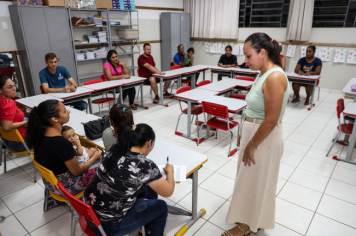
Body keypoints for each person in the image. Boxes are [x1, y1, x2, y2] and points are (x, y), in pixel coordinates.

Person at [224, 33, 289, 236]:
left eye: (248, 55)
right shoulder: (262, 73)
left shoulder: (275, 77)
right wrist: (246, 134)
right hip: (255, 131)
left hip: (264, 136)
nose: (245, 61)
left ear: (262, 52)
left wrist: (252, 144)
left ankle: (246, 226)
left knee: (257, 181)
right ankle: (249, 217)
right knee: (250, 179)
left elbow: (270, 120)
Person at [83, 123, 175, 236]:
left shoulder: (115, 148)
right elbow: (168, 191)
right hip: (109, 227)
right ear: (149, 143)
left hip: (89, 214)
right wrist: (170, 172)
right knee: (162, 206)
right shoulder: (145, 165)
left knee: (149, 190)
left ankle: (146, 228)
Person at [27, 100, 101, 210]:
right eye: (65, 111)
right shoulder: (62, 144)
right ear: (55, 119)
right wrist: (94, 158)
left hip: (51, 184)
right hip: (66, 187)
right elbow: (76, 171)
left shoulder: (39, 137)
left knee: (90, 153)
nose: (69, 111)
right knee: (105, 161)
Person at [0, 75, 27, 151]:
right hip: (20, 142)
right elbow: (6, 127)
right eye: (10, 87)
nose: (15, 89)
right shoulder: (8, 103)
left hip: (6, 141)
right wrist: (24, 123)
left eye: (14, 85)